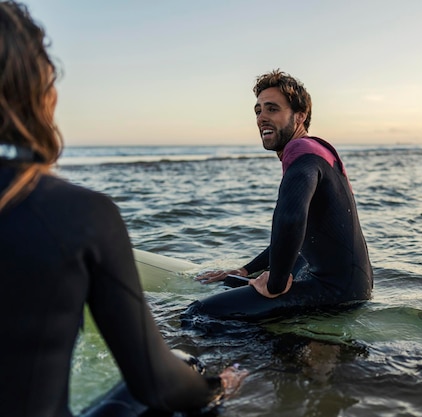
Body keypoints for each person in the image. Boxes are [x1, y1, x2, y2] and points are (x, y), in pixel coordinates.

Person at [0, 2, 246, 416]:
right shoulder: (81, 215)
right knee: (189, 372)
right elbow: (157, 384)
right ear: (40, 89)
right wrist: (214, 388)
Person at [185, 69, 373, 322]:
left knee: (199, 315)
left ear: (300, 116)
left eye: (272, 109)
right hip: (354, 285)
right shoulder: (318, 150)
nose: (261, 117)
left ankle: (269, 356)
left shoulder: (299, 149)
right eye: (258, 110)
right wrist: (246, 270)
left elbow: (290, 218)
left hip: (335, 294)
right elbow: (301, 236)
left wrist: (275, 285)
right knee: (242, 281)